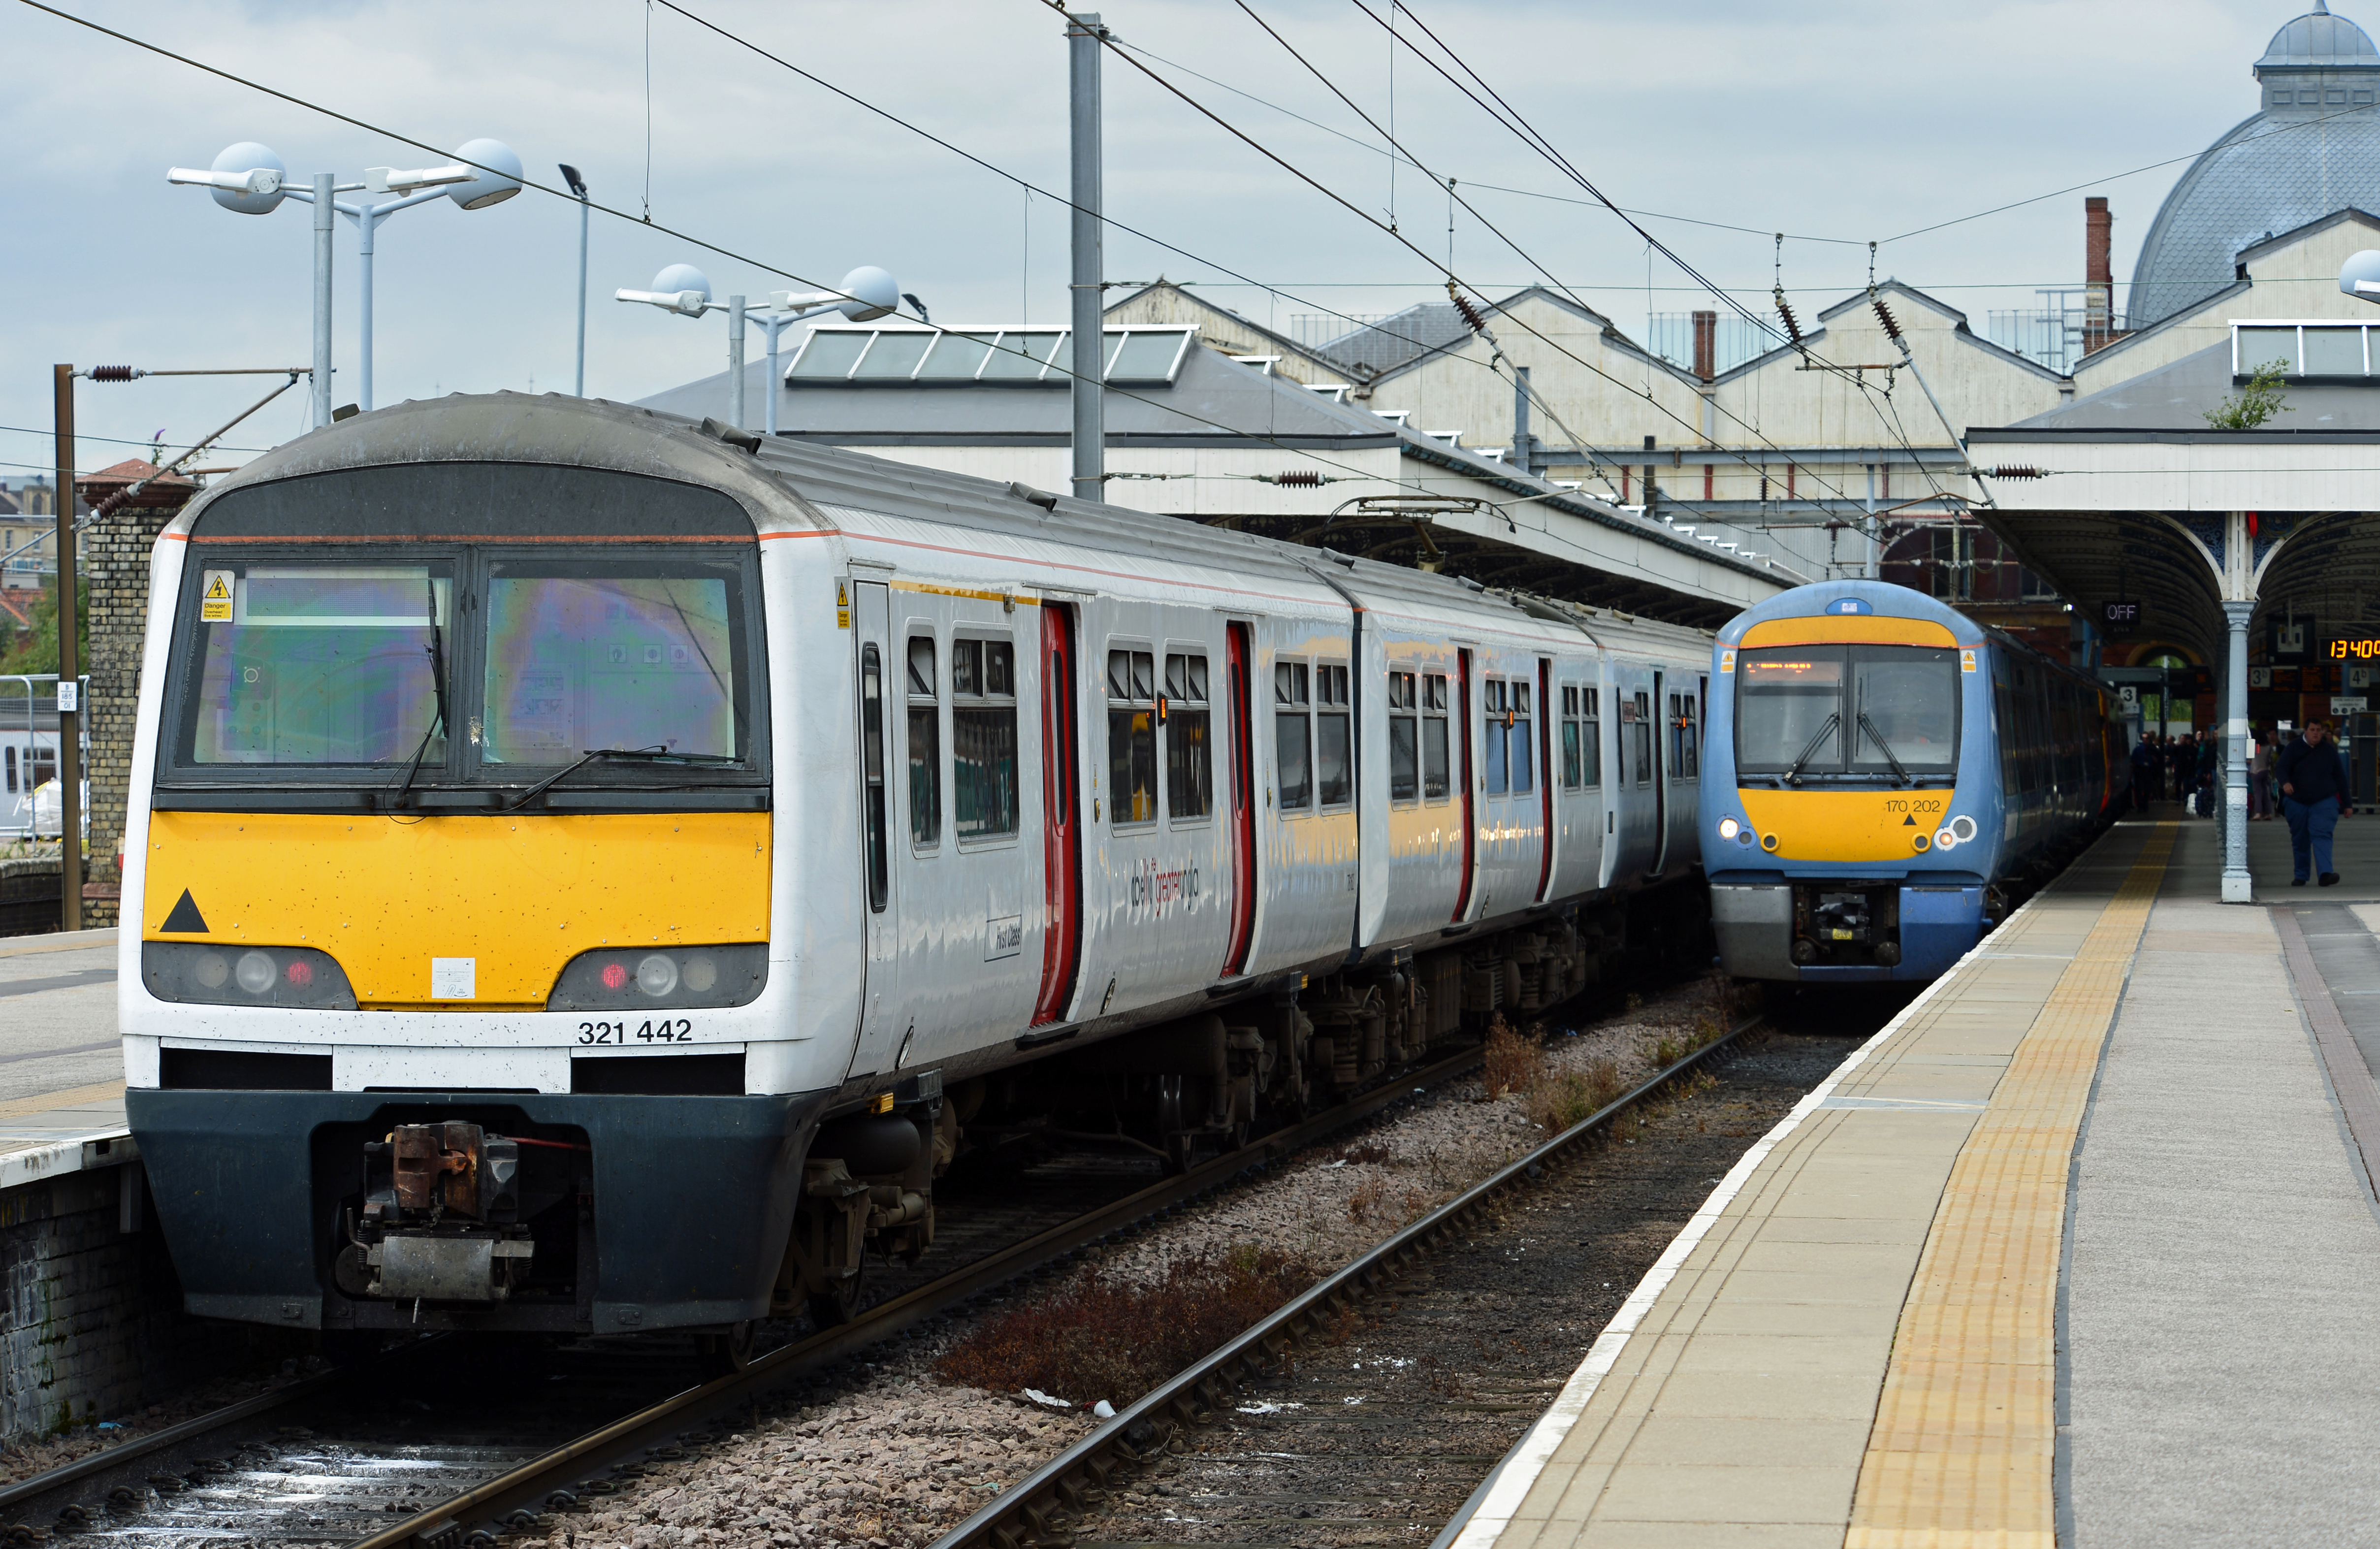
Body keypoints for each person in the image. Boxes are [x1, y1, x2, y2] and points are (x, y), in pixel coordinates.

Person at [2278, 719, 2352, 886]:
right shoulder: (2294, 748)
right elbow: (2281, 768)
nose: (2316, 733)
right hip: (2297, 801)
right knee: (2300, 839)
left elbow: (2340, 778)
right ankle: (2301, 875)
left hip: (2324, 801)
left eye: (2319, 730)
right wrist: (2285, 782)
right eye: (2313, 730)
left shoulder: (2329, 751)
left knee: (2322, 835)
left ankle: (2325, 874)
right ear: (2306, 731)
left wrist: (2347, 804)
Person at [2129, 732, 2158, 813]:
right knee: (2139, 789)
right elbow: (2133, 761)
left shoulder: (2153, 749)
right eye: (2144, 738)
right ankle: (2140, 806)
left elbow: (2157, 761)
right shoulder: (2138, 749)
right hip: (2139, 770)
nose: (2145, 740)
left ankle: (2145, 804)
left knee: (2148, 789)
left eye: (2147, 738)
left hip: (2149, 770)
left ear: (2149, 739)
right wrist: (2131, 773)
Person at [2250, 730, 2273, 819]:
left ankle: (2258, 813)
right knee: (2266, 793)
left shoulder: (2256, 747)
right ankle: (2269, 813)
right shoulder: (2269, 747)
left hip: (2256, 771)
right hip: (2266, 770)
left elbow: (2251, 756)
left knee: (2257, 793)